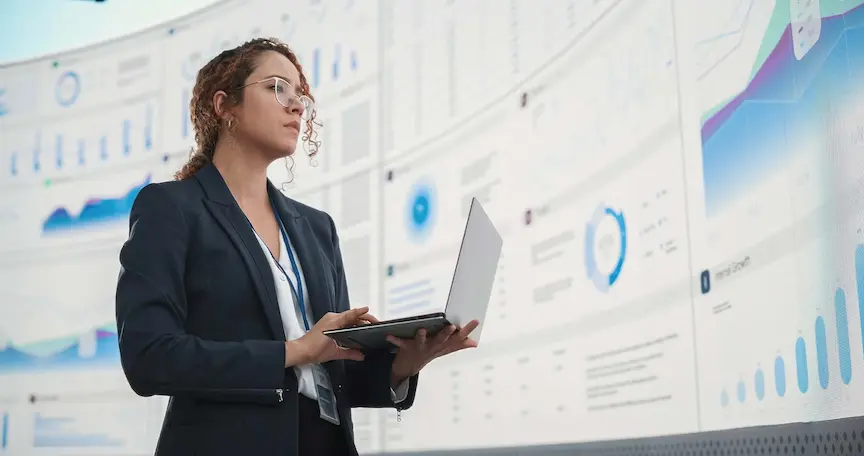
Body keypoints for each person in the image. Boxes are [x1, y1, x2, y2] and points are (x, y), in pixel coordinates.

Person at [115, 37, 479, 456]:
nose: (296, 105)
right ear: (224, 106)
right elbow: (149, 357)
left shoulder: (316, 228)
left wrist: (405, 363)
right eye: (276, 87)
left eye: (299, 93)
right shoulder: (172, 207)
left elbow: (334, 372)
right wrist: (294, 351)